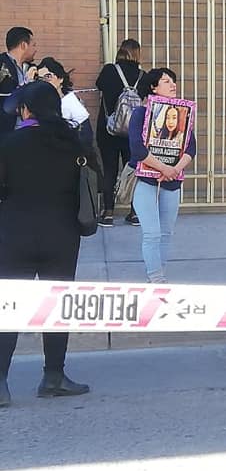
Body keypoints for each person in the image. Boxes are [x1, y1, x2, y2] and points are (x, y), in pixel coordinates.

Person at [0, 82, 100, 406]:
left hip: (14, 236)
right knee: (57, 307)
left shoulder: (9, 144)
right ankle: (53, 376)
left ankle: (0, 383)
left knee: (9, 309)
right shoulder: (74, 144)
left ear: (27, 110)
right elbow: (95, 177)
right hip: (62, 236)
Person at [128, 68, 197, 284]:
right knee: (152, 233)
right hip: (146, 181)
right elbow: (137, 149)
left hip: (171, 182)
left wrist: (175, 169)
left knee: (166, 233)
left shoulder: (182, 115)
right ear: (153, 87)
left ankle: (161, 273)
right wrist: (163, 168)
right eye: (166, 81)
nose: (172, 85)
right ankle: (155, 278)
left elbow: (191, 148)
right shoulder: (140, 114)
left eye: (173, 81)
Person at [95, 39, 144, 227]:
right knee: (132, 171)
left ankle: (108, 213)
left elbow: (99, 85)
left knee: (109, 170)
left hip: (108, 130)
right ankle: (134, 212)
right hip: (132, 132)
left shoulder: (109, 71)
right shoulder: (142, 75)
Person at [36, 57, 94, 147]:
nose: (44, 82)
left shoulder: (70, 102)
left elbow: (86, 137)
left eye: (48, 77)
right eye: (40, 79)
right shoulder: (39, 102)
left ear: (60, 79)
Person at [0, 26, 38, 136]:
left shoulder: (33, 69)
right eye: (33, 45)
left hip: (28, 130)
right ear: (23, 45)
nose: (36, 50)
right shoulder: (1, 64)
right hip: (5, 130)